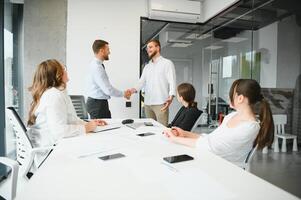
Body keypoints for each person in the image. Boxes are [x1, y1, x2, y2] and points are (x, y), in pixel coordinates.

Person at [164, 79, 274, 164]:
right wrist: (184, 134)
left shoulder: (250, 127)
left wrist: (176, 139)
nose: (228, 96)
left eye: (231, 93)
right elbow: (211, 139)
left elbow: (212, 147)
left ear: (240, 98)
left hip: (221, 167)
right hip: (211, 159)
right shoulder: (232, 116)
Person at [27, 59, 107, 150]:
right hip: (50, 150)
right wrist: (86, 128)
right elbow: (58, 132)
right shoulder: (54, 95)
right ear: (57, 76)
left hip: (53, 145)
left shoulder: (57, 92)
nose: (66, 70)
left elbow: (70, 119)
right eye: (63, 68)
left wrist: (90, 123)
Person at [129, 39, 176, 126]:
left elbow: (172, 81)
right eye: (147, 48)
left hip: (161, 103)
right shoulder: (147, 67)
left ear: (158, 48)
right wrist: (132, 90)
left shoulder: (167, 63)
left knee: (162, 130)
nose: (148, 50)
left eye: (150, 47)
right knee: (150, 130)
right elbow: (141, 82)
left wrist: (171, 97)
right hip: (148, 104)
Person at [86, 39, 131, 119]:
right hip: (97, 105)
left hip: (97, 103)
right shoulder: (97, 67)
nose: (109, 52)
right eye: (108, 50)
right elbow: (108, 90)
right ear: (101, 50)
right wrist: (123, 94)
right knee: (103, 130)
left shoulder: (95, 64)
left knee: (106, 127)